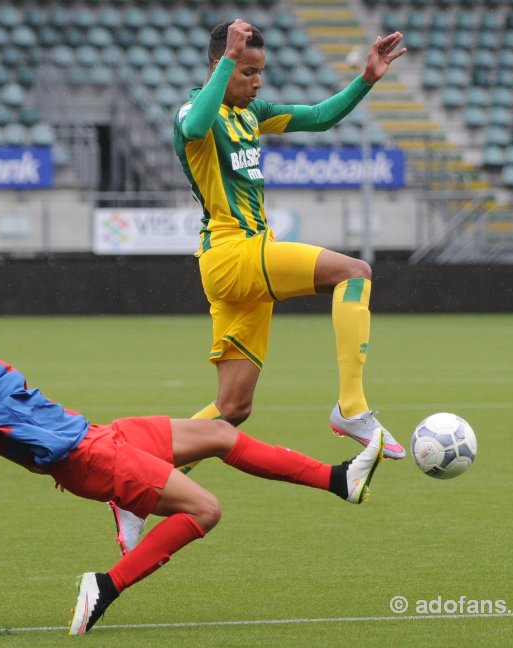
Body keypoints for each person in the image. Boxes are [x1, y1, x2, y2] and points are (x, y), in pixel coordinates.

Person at [0, 280, 385, 635]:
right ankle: (104, 587)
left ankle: (340, 481)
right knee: (205, 510)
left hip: (98, 436)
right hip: (87, 459)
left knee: (219, 432)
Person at [109, 20, 408, 555]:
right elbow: (196, 125)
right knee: (354, 272)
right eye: (247, 72)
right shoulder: (192, 114)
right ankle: (352, 408)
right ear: (220, 67)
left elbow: (317, 118)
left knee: (232, 409)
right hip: (234, 254)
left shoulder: (251, 113)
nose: (256, 82)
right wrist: (227, 60)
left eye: (259, 73)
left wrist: (366, 79)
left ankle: (135, 486)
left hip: (241, 268)